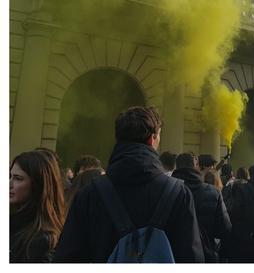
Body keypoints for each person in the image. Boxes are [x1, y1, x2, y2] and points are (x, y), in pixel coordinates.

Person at [55, 106, 203, 262]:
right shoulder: (179, 193)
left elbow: (68, 257)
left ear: (118, 138)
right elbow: (192, 258)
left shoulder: (89, 193)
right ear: (152, 139)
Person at [172, 152, 231, 262]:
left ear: (177, 167)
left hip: (173, 256)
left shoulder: (168, 190)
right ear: (197, 166)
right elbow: (225, 229)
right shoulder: (213, 192)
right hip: (205, 254)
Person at [10, 150, 67, 262]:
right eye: (10, 176)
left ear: (38, 184)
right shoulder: (13, 222)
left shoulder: (42, 240)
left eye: (18, 178)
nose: (9, 184)